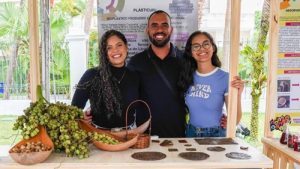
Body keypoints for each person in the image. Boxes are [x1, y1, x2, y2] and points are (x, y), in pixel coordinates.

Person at [128, 10, 186, 138]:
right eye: (154, 25)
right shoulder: (136, 62)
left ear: (171, 30)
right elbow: (124, 95)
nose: (159, 29)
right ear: (147, 30)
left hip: (179, 136)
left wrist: (221, 113)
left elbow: (198, 91)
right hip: (145, 137)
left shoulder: (185, 60)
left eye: (164, 25)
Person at [178, 30, 244, 137]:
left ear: (213, 47)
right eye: (196, 46)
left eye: (206, 44)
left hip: (216, 134)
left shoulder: (225, 78)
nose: (202, 49)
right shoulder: (187, 77)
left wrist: (239, 95)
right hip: (191, 133)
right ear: (190, 51)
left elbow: (235, 118)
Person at [72, 30, 140, 130]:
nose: (115, 50)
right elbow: (74, 108)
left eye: (119, 45)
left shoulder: (135, 75)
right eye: (109, 48)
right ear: (105, 52)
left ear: (126, 47)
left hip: (130, 134)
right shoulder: (92, 75)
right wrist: (81, 116)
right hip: (98, 136)